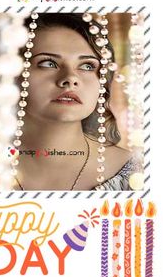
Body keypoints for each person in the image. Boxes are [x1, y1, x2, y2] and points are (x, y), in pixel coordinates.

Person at [12, 13, 141, 191]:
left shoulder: (140, 176)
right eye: (48, 63)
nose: (70, 78)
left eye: (88, 66)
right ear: (11, 73)